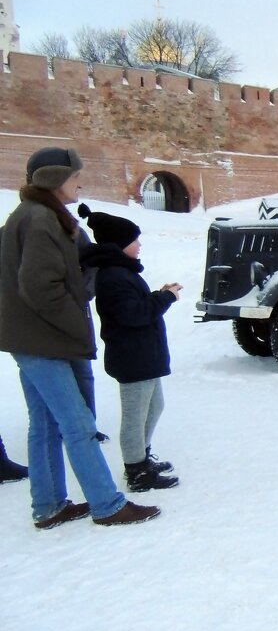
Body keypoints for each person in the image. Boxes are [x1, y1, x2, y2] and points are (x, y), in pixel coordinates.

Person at [0, 146, 160, 527]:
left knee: (44, 423)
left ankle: (49, 505)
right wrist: (75, 325)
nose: (80, 183)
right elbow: (41, 288)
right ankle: (107, 505)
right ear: (54, 180)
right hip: (46, 341)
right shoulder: (41, 220)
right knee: (78, 424)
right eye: (74, 177)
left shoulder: (27, 217)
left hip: (30, 340)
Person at [79, 205, 181, 492]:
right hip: (133, 358)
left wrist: (158, 295)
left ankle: (142, 458)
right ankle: (136, 471)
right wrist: (164, 299)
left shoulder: (121, 272)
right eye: (134, 240)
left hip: (143, 356)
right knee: (135, 416)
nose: (139, 244)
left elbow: (133, 306)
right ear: (120, 244)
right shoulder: (113, 276)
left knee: (154, 407)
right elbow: (131, 315)